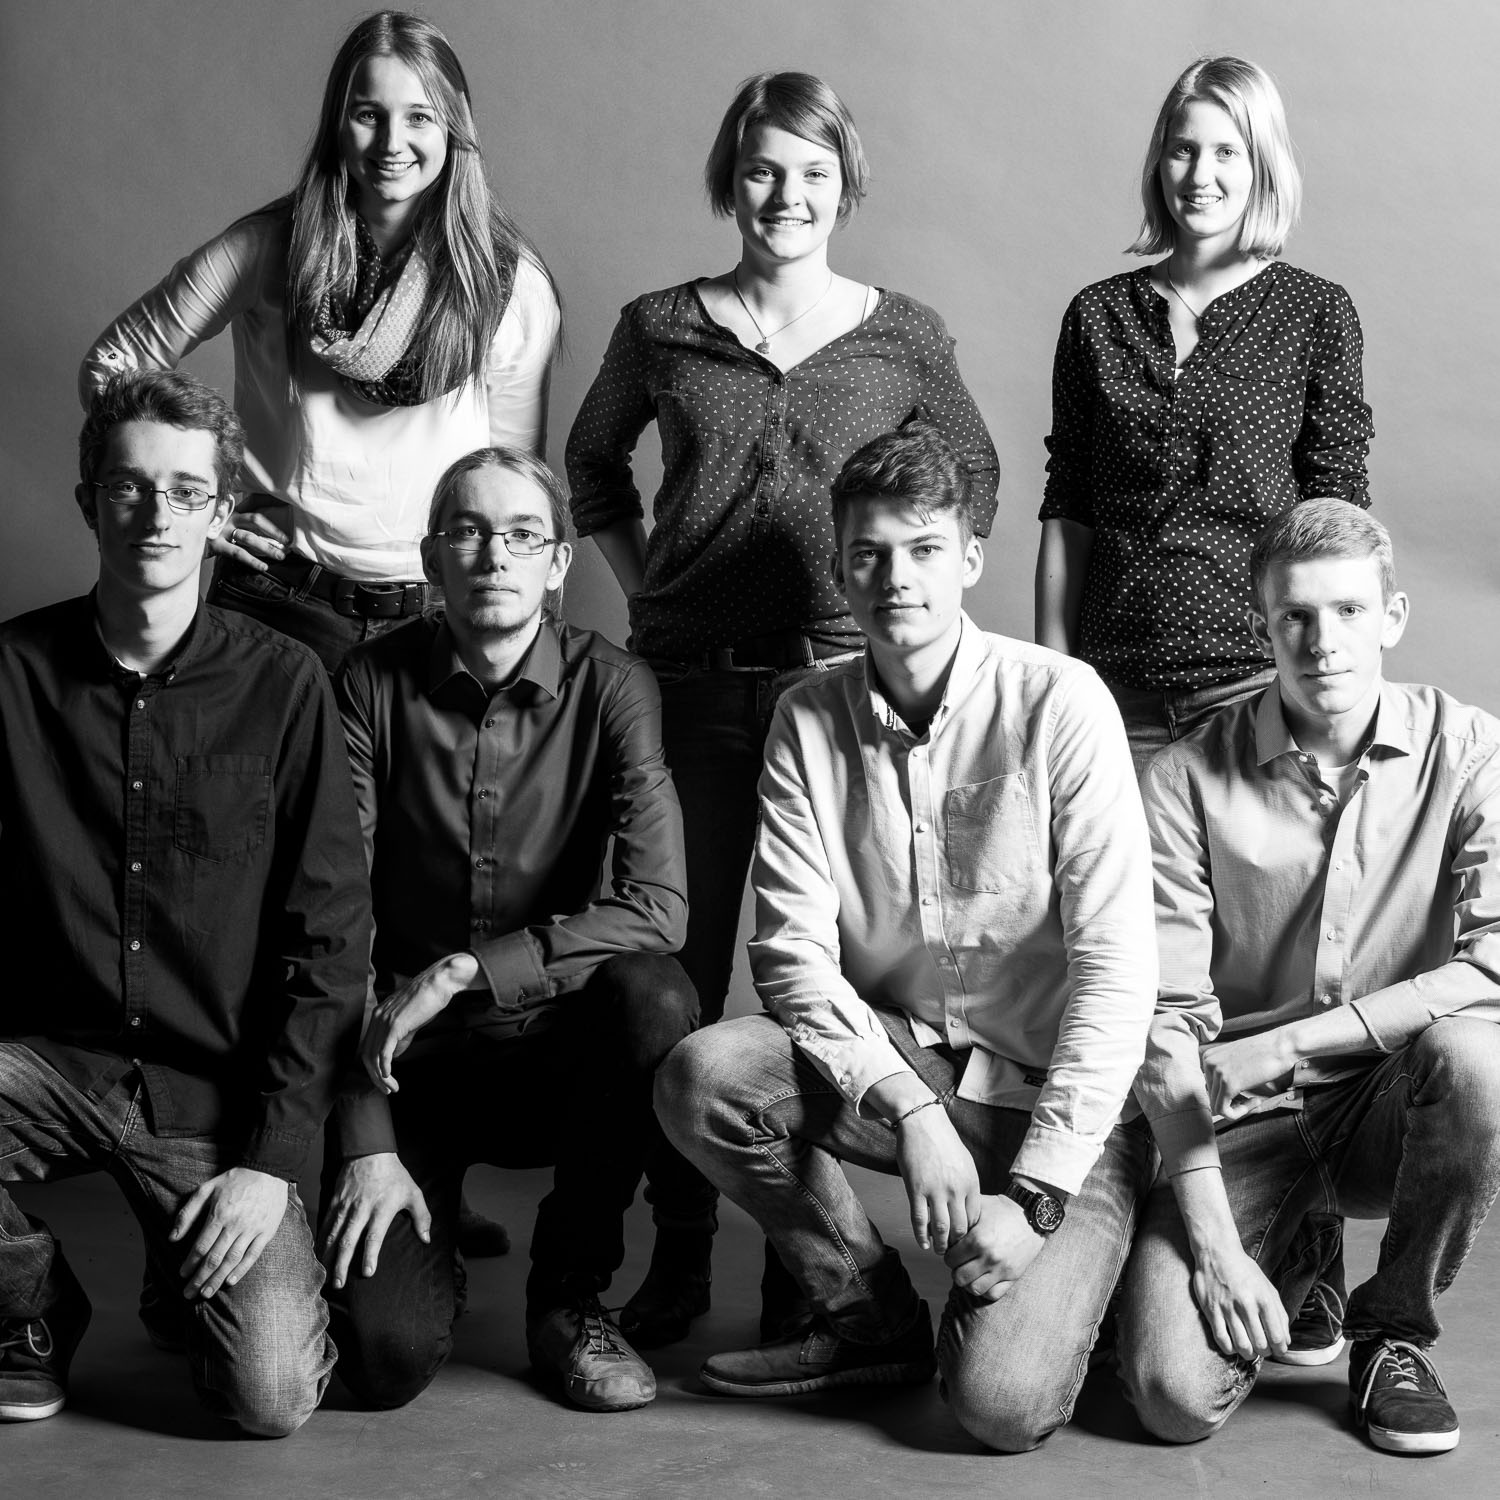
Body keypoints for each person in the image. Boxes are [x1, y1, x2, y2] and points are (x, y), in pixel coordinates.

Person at [79, 5, 553, 1259]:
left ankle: (410, 1165)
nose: (392, 141)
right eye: (366, 111)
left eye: (419, 117)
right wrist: (214, 506)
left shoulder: (507, 283)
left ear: (456, 131)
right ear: (336, 120)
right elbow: (120, 364)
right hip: (280, 609)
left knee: (416, 901)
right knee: (263, 897)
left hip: (429, 622)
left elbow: (513, 476)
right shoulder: (272, 246)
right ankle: (242, 1166)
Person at [566, 71, 999, 1347]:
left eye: (813, 172)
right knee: (681, 974)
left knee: (834, 976)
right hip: (692, 684)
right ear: (730, 180)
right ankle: (682, 1249)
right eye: (763, 169)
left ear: (844, 184)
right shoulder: (661, 325)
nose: (786, 194)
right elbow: (591, 462)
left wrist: (909, 603)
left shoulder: (901, 332)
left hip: (840, 687)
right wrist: (655, 589)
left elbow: (972, 470)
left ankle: (805, 1273)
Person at [656, 422, 1157, 1452]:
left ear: (970, 558)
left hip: (1066, 1105)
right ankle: (870, 1322)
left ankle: (1099, 1260)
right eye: (871, 554)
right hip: (913, 1065)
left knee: (1000, 1407)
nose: (897, 578)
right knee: (707, 1076)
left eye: (924, 549)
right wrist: (913, 1107)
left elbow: (1118, 974)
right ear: (842, 569)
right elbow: (791, 957)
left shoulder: (1060, 702)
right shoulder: (805, 718)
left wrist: (1038, 1198)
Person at [0, 372, 370, 1434]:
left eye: (184, 491)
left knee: (271, 1398)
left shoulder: (287, 683)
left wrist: (273, 1165)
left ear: (219, 514)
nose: (155, 514)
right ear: (90, 502)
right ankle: (30, 1304)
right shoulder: (12, 671)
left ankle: (187, 1271)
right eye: (129, 487)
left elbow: (331, 938)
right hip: (54, 1061)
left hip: (214, 1097)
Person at [316, 447, 698, 1413]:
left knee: (655, 994)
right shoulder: (367, 681)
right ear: (430, 557)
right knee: (382, 1364)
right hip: (404, 1063)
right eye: (469, 532)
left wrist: (467, 969)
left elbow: (659, 907)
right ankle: (425, 1234)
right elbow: (332, 911)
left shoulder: (615, 686)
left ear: (559, 562)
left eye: (523, 535)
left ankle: (568, 1295)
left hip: (551, 1061)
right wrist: (365, 1134)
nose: (494, 555)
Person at [1120, 501, 1500, 1456]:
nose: (1322, 641)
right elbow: (1165, 1016)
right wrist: (1210, 1229)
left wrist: (1291, 1043)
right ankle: (1301, 1246)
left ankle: (1393, 1334)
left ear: (1393, 617)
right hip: (1238, 1117)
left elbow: (1496, 959)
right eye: (1295, 616)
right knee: (1171, 1397)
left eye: (1348, 611)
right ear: (1265, 625)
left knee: (1481, 1062)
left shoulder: (1471, 752)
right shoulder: (1184, 777)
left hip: (1389, 1105)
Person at [1035, 54, 1373, 769]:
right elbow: (1068, 510)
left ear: (1261, 166)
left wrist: (1333, 681)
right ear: (1159, 162)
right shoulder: (1097, 316)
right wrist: (1054, 685)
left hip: (1261, 685)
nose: (1199, 175)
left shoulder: (1315, 312)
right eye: (1183, 150)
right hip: (1110, 692)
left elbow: (1339, 514)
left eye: (1227, 152)